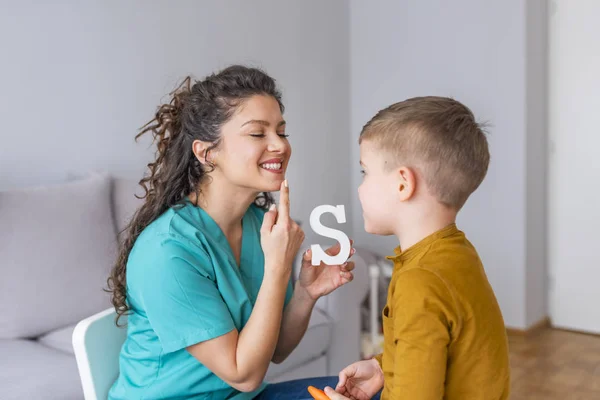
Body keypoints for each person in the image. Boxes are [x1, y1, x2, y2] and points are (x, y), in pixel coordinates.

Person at [106, 65, 356, 399]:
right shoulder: (167, 251)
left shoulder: (258, 224)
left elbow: (275, 348)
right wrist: (278, 267)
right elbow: (244, 374)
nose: (280, 145)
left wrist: (305, 294)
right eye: (258, 134)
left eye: (282, 132)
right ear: (206, 152)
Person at [325, 97, 510, 400]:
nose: (360, 187)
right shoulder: (456, 253)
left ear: (402, 184)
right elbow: (440, 351)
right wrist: (383, 368)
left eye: (365, 172)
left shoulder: (420, 281)